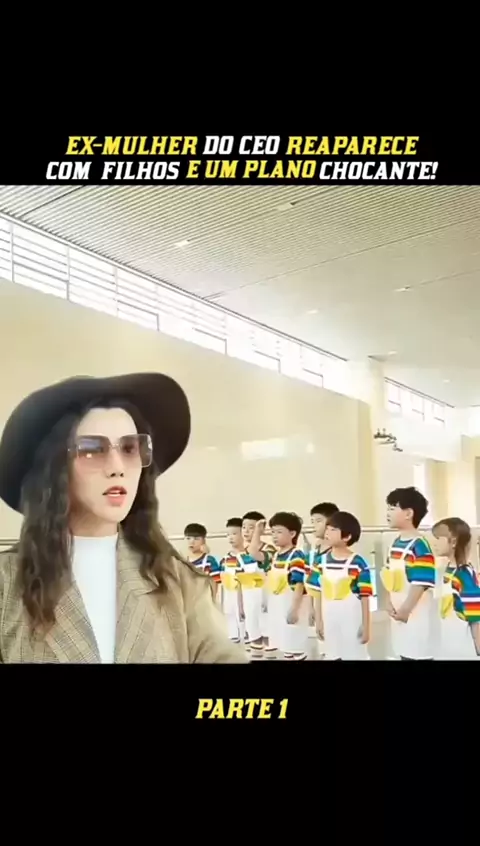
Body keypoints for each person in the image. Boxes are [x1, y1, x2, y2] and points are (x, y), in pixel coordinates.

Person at [0, 373, 248, 663]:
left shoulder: (176, 581)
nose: (117, 467)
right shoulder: (7, 583)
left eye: (130, 448)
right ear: (56, 467)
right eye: (93, 450)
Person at [307, 511, 372, 660]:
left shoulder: (358, 562)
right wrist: (319, 621)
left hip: (352, 621)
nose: (327, 533)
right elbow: (316, 592)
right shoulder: (320, 562)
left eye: (333, 530)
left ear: (347, 536)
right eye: (327, 529)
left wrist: (366, 626)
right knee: (332, 654)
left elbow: (365, 596)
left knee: (354, 654)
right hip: (329, 619)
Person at [381, 486, 435, 660]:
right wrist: (388, 601)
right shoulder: (395, 543)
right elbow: (388, 576)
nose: (387, 513)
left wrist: (406, 609)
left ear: (408, 513)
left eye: (392, 508)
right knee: (402, 652)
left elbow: (421, 583)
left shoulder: (419, 545)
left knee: (416, 654)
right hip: (398, 613)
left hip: (414, 614)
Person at [431, 518, 480, 659]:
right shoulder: (446, 570)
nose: (434, 543)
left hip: (464, 651)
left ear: (453, 542)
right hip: (447, 648)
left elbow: (476, 619)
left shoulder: (464, 575)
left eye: (438, 538)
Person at [266, 511, 309, 661]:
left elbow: (299, 583)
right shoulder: (275, 556)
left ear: (292, 533)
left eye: (279, 532)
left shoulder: (296, 555)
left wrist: (294, 609)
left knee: (295, 647)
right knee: (285, 647)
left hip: (292, 606)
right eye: (272, 532)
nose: (274, 536)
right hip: (278, 607)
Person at [241, 510, 275, 656]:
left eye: (252, 527)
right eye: (244, 527)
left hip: (264, 597)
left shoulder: (268, 549)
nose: (246, 531)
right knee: (252, 630)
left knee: (266, 629)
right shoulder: (242, 553)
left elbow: (255, 554)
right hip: (249, 597)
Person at [219, 517, 250, 644]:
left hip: (244, 597)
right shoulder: (225, 559)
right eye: (228, 534)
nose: (230, 537)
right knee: (232, 633)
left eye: (234, 534)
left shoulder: (248, 557)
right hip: (229, 598)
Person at [184, 522, 221, 595]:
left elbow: (216, 584)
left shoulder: (209, 561)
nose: (191, 542)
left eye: (196, 539)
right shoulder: (183, 562)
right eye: (188, 538)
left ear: (204, 540)